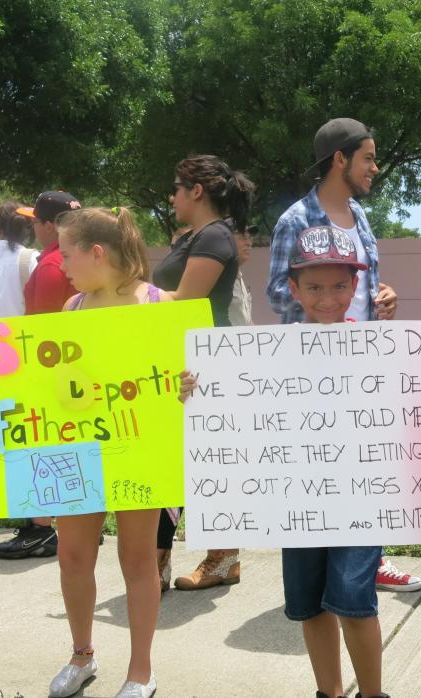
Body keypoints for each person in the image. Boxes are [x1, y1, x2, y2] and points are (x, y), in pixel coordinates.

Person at [0, 206, 170, 698]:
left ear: (96, 252)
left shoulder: (159, 305)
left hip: (137, 446)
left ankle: (141, 672)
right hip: (78, 448)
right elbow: (49, 384)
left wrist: (188, 383)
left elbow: (181, 379)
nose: (60, 264)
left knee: (138, 558)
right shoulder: (72, 309)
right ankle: (83, 655)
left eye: (67, 253)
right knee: (73, 556)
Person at [188, 225, 391, 698]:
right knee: (308, 605)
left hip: (358, 502)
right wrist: (197, 392)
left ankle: (374, 693)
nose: (327, 297)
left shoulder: (378, 348)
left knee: (355, 602)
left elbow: (412, 400)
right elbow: (235, 409)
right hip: (295, 504)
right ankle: (329, 692)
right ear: (294, 289)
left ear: (354, 285)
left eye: (340, 285)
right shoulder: (270, 355)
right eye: (314, 287)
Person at [268, 117, 421, 593]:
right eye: (369, 158)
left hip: (363, 367)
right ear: (340, 160)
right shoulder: (296, 220)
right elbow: (277, 291)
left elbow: (367, 287)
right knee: (322, 465)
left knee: (365, 465)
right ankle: (326, 563)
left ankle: (366, 560)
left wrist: (385, 296)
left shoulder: (361, 217)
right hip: (312, 369)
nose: (375, 168)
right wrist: (325, 305)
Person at [151, 155, 255, 592]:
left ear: (196, 191)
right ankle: (159, 560)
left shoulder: (214, 236)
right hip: (188, 363)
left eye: (176, 187)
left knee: (207, 463)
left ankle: (222, 558)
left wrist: (137, 296)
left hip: (209, 366)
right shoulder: (196, 236)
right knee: (174, 463)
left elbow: (185, 301)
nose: (172, 196)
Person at [0, 191, 82, 560]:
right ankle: (76, 523)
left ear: (49, 226)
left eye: (35, 221)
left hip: (49, 372)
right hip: (77, 371)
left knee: (39, 447)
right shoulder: (85, 258)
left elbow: (42, 333)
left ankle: (40, 528)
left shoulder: (50, 266)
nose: (31, 226)